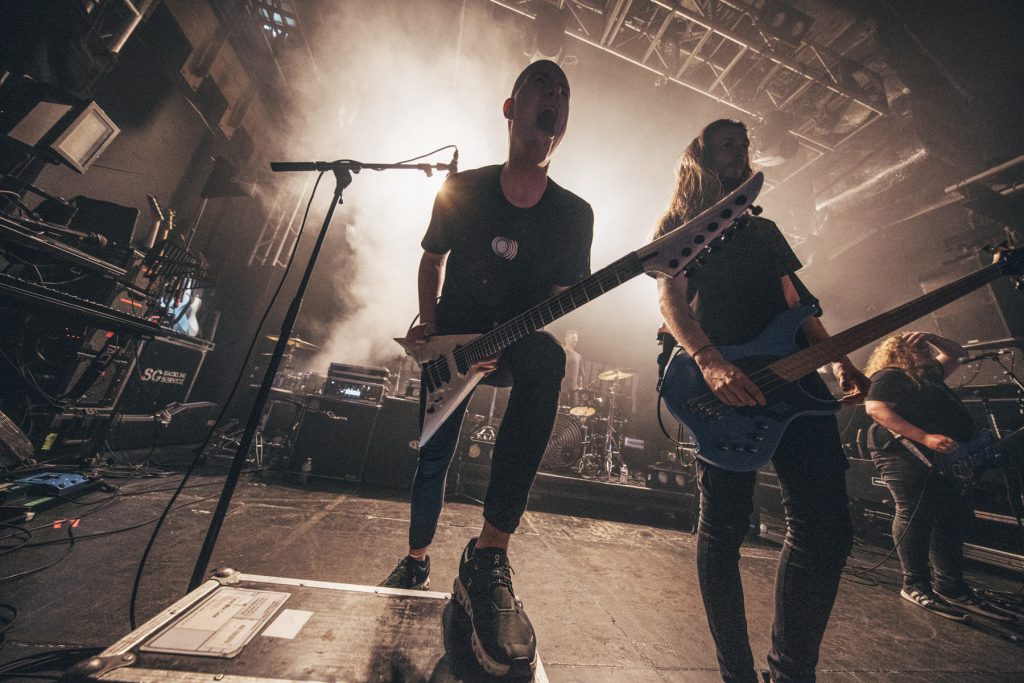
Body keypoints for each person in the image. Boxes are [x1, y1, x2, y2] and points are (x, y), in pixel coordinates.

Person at [380, 59, 593, 678]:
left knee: (549, 358)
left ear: (562, 124)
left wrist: (520, 333)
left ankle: (491, 546)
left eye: (563, 94)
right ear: (511, 108)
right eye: (540, 88)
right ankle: (418, 556)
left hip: (518, 338)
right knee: (434, 454)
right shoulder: (464, 188)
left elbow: (558, 300)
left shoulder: (573, 214)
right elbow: (431, 260)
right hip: (454, 343)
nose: (553, 98)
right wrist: (425, 320)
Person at [655, 118, 869, 683]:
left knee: (826, 526)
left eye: (743, 144)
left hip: (794, 377)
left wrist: (843, 361)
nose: (740, 151)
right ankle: (736, 674)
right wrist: (708, 359)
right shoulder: (681, 226)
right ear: (700, 158)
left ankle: (791, 672)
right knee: (724, 528)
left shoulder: (766, 231)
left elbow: (799, 304)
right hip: (723, 378)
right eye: (728, 143)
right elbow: (670, 299)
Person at [863, 331, 1010, 621]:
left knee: (949, 514)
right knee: (914, 512)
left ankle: (950, 586)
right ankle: (914, 584)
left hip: (939, 458)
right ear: (901, 352)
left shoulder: (927, 378)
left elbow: (958, 353)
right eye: (919, 347)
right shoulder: (890, 375)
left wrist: (933, 336)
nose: (927, 351)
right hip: (901, 452)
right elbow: (875, 408)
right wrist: (926, 437)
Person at [560, 329, 584, 406]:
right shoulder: (560, 352)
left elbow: (580, 374)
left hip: (574, 392)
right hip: (561, 390)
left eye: (577, 338)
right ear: (566, 339)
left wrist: (580, 386)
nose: (576, 340)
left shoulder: (579, 356)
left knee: (573, 416)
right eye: (573, 337)